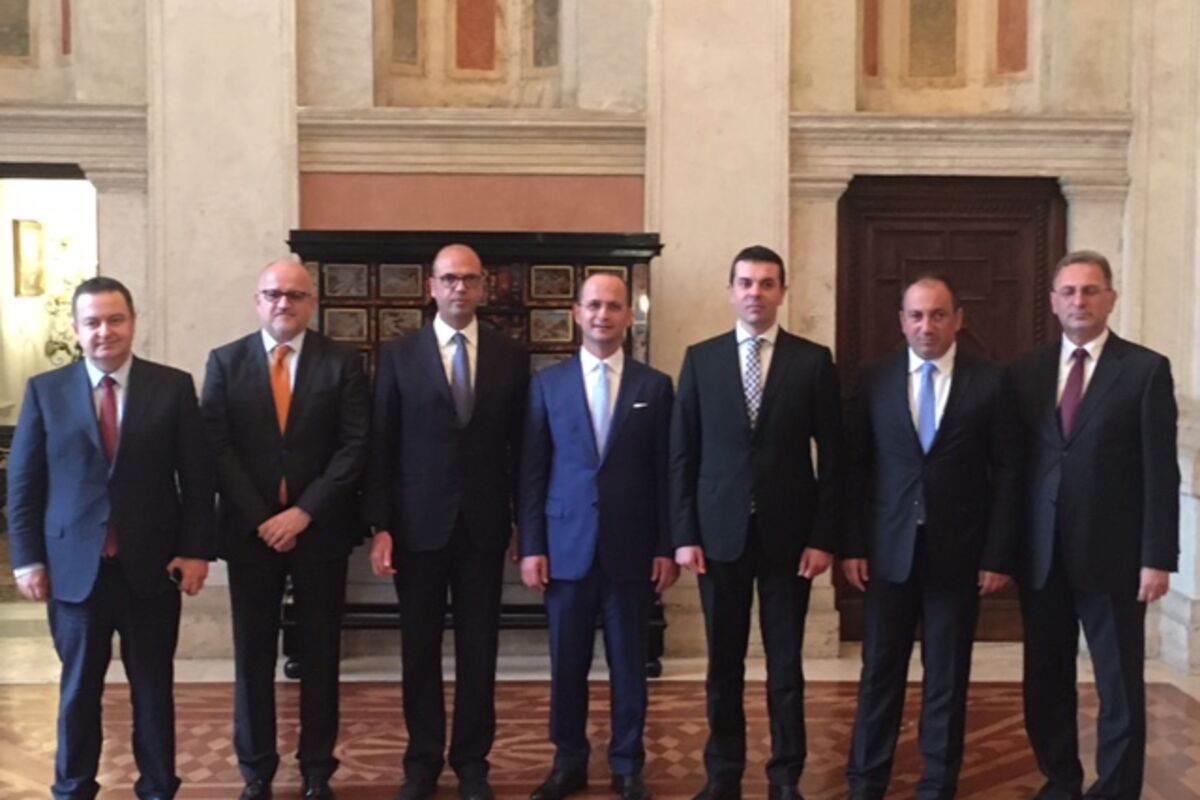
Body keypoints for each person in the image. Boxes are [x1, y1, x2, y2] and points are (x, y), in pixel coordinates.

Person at [6, 276, 215, 800]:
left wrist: (195, 550)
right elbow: (25, 484)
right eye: (93, 322)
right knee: (79, 689)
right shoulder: (45, 391)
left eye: (115, 319)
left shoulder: (172, 387)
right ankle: (73, 787)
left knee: (153, 690)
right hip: (74, 572)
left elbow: (197, 479)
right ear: (77, 329)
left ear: (133, 322)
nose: (105, 331)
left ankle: (159, 787)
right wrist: (27, 559)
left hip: (152, 569)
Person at [670, 245, 842, 800]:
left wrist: (824, 538)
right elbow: (682, 454)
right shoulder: (701, 360)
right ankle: (722, 774)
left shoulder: (812, 361)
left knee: (785, 667)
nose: (755, 293)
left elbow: (834, 459)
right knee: (723, 665)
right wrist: (684, 534)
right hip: (718, 538)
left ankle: (786, 775)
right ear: (731, 291)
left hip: (789, 541)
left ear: (782, 293)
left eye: (767, 283)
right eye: (745, 282)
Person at [841, 275, 1019, 799]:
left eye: (938, 314)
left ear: (958, 320)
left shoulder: (991, 381)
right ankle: (866, 782)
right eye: (916, 315)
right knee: (879, 674)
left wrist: (997, 554)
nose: (927, 326)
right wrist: (853, 545)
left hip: (958, 555)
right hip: (886, 554)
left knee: (947, 677)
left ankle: (938, 785)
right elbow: (854, 467)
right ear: (902, 321)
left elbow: (1008, 472)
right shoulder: (874, 378)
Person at [1011, 250, 1179, 800]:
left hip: (1115, 557)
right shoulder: (1026, 372)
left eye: (1090, 290)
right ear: (1053, 302)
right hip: (1042, 556)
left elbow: (1161, 471)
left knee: (1119, 683)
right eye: (1069, 291)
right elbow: (1013, 468)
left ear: (1111, 298)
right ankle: (1061, 781)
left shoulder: (1145, 370)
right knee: (1045, 681)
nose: (1079, 301)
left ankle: (1117, 789)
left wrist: (1158, 557)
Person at [200, 259, 370, 800]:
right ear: (258, 301)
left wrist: (303, 512)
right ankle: (256, 770)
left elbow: (354, 446)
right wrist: (262, 518)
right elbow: (216, 447)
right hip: (249, 533)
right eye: (273, 294)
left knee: (320, 653)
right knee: (253, 655)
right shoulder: (225, 362)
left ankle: (317, 768)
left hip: (320, 531)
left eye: (295, 295)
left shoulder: (341, 363)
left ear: (311, 304)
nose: (284, 303)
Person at [366, 243, 529, 800]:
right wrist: (381, 526)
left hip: (484, 525)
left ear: (483, 287)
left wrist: (524, 522)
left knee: (480, 649)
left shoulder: (510, 356)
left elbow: (522, 449)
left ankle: (472, 761)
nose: (460, 288)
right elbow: (382, 447)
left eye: (469, 279)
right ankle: (422, 761)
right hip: (416, 528)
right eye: (449, 279)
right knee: (419, 649)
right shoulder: (398, 355)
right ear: (431, 287)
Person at [519, 274, 679, 800]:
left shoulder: (654, 386)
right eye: (593, 306)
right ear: (576, 313)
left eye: (613, 307)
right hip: (565, 548)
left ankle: (628, 764)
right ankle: (568, 761)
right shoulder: (547, 385)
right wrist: (532, 545)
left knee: (630, 665)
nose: (603, 315)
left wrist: (665, 546)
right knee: (566, 665)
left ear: (629, 316)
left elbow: (666, 473)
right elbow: (533, 473)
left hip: (632, 550)